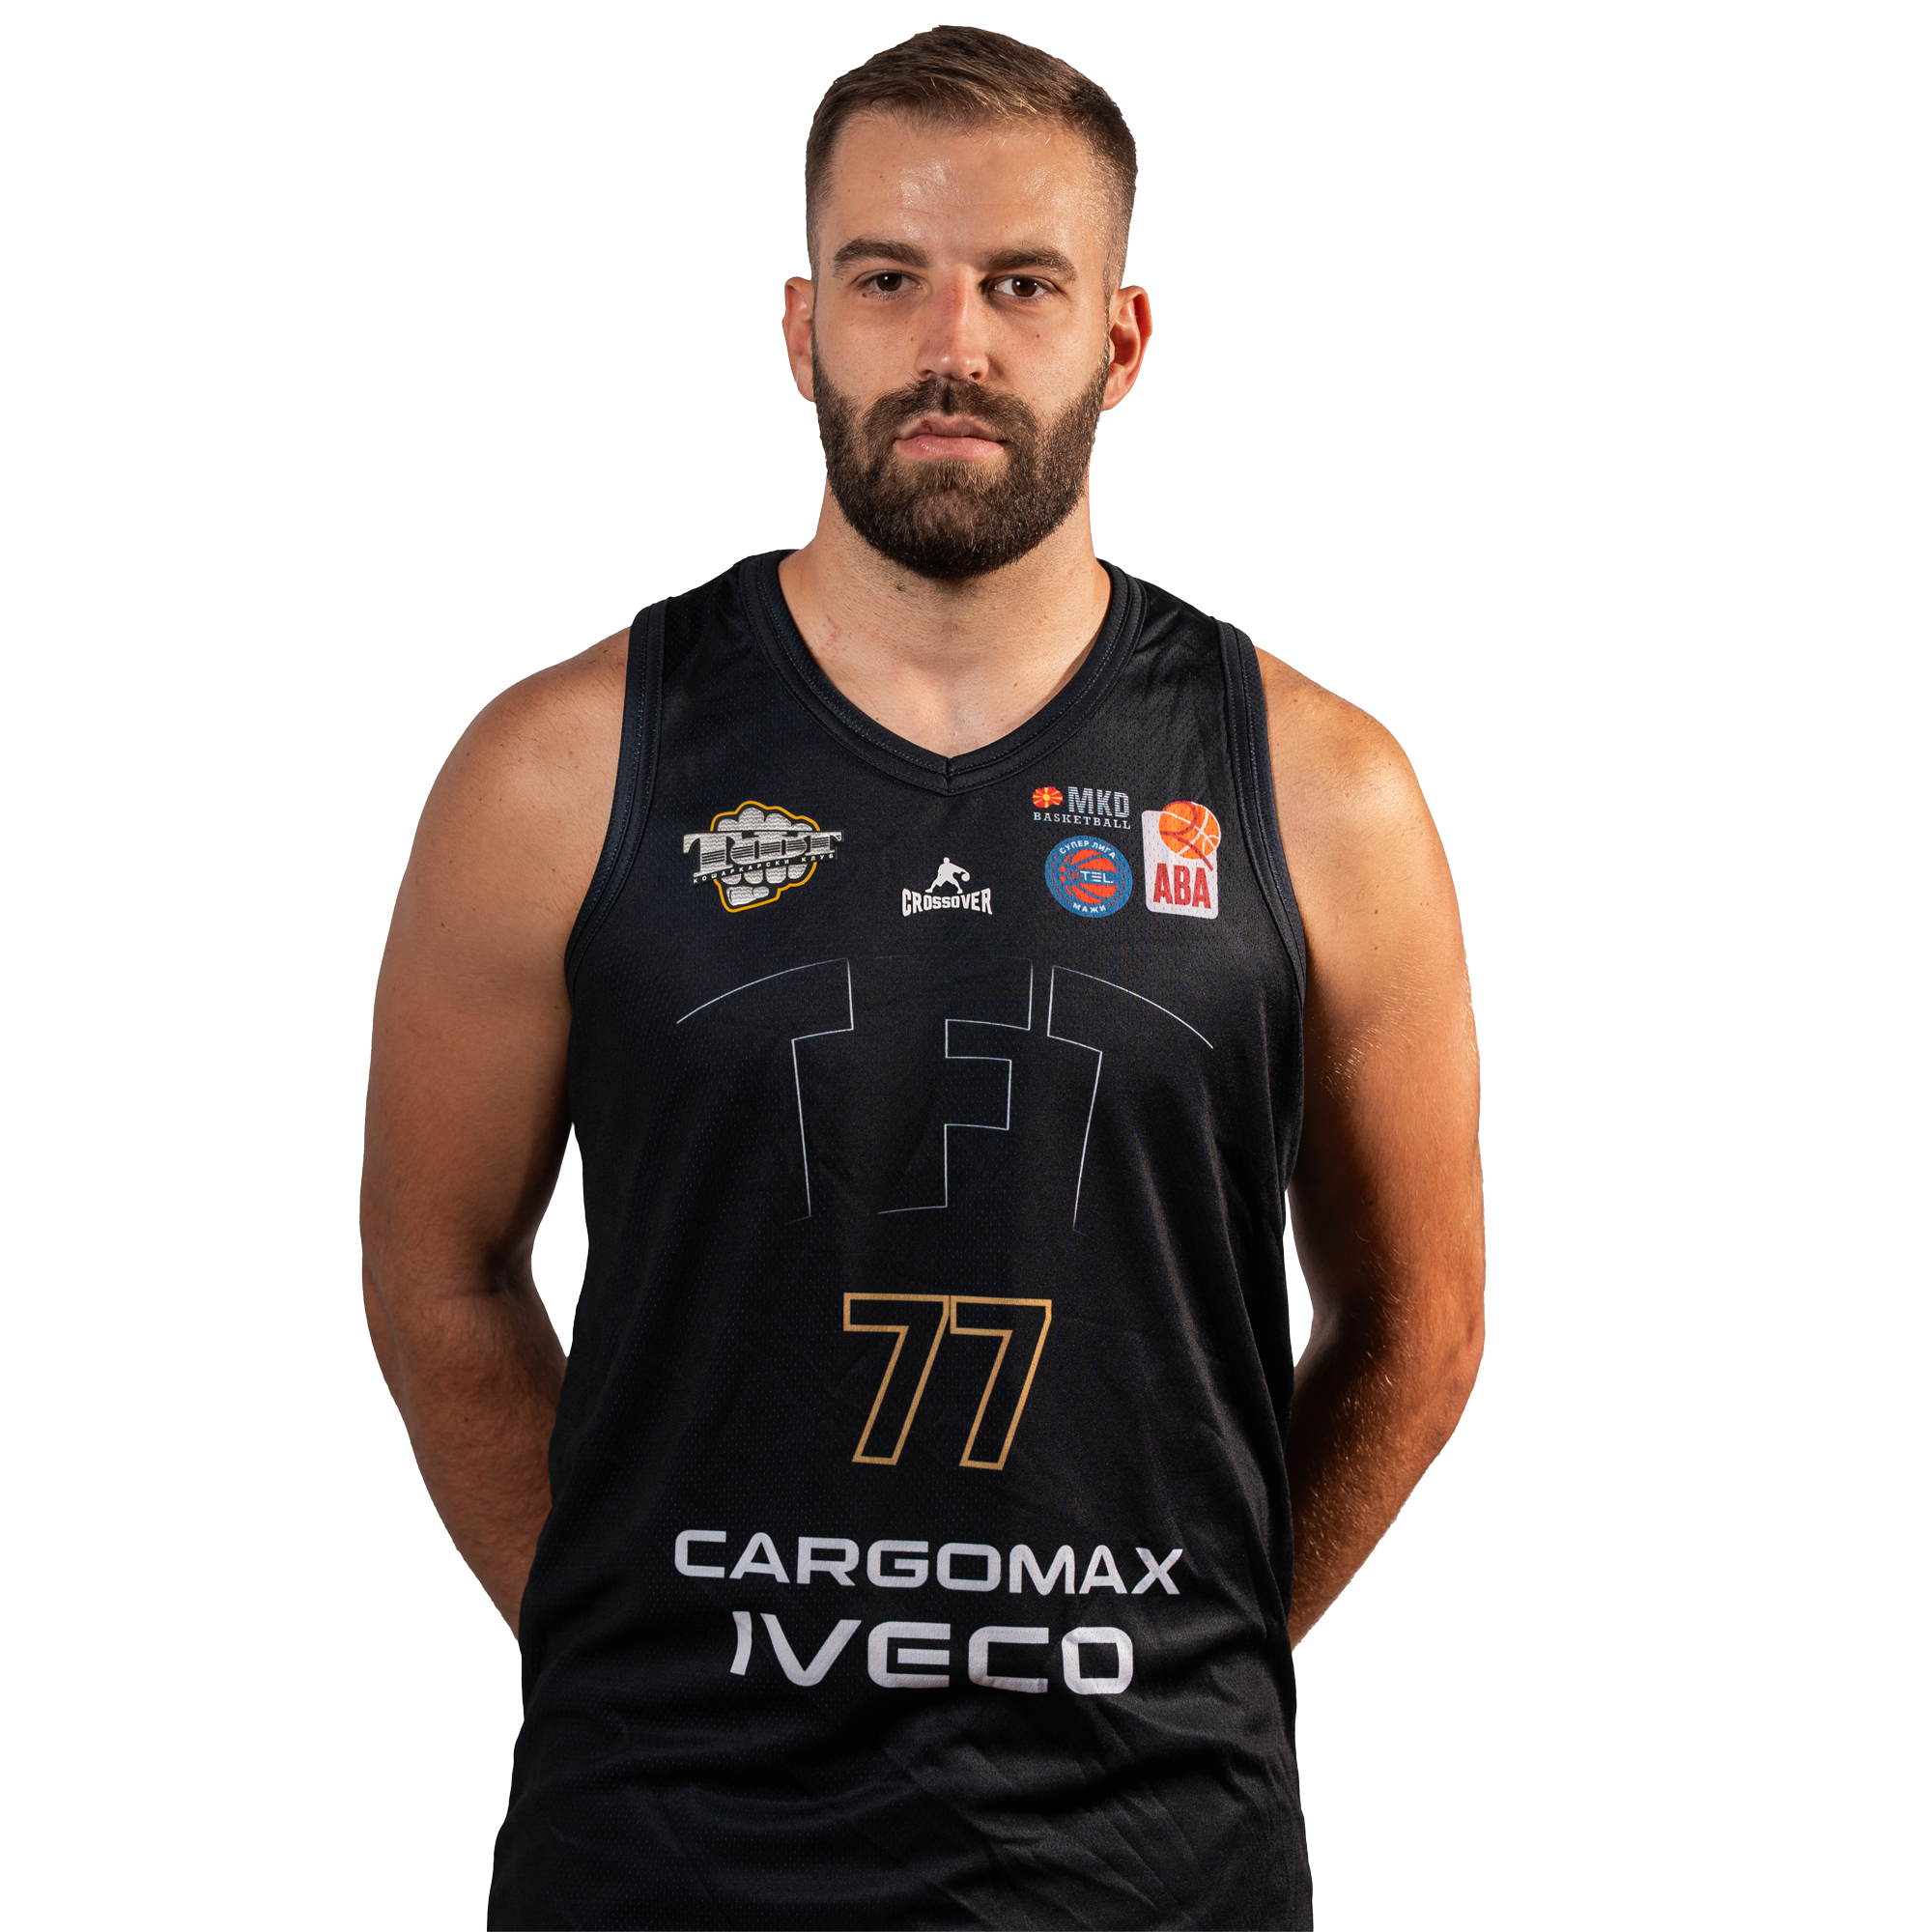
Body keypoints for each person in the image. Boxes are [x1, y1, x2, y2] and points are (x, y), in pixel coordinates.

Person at [361, 25, 1484, 1929]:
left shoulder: (1323, 792)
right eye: (888, 278)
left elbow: (1419, 1323)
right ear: (802, 325)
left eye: (1021, 284)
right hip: (659, 1866)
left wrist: (1184, 1657)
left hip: (1155, 1870)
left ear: (1121, 338)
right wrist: (634, 1655)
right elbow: (437, 1276)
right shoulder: (557, 771)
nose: (950, 343)